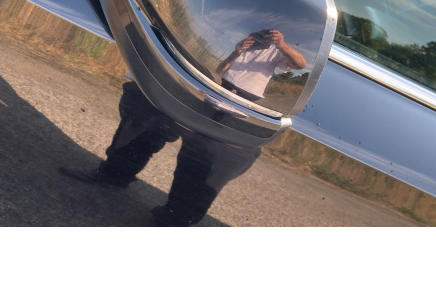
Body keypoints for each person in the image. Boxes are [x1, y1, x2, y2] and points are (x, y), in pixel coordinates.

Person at [61, 29, 307, 227]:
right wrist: (237, 51)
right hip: (210, 85)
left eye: (267, 35)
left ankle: (174, 219)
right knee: (146, 122)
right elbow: (219, 69)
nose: (262, 38)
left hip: (241, 102)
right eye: (261, 35)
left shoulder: (276, 51)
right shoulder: (242, 42)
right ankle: (113, 174)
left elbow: (300, 64)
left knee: (207, 157)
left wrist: (281, 44)